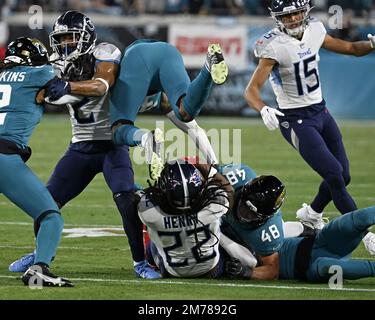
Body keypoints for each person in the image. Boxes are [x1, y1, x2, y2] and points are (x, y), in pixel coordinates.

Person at [8, 10, 160, 279]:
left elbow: (102, 84)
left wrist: (68, 87)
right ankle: (41, 255)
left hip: (112, 144)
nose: (65, 44)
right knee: (46, 204)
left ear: (87, 37)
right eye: (61, 38)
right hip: (80, 146)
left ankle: (140, 261)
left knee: (126, 200)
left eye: (71, 37)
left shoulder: (104, 53)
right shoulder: (55, 64)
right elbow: (40, 94)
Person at [244, 0, 375, 254]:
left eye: (296, 13)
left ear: (305, 12)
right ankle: (366, 236)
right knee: (335, 175)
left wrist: (370, 44)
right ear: (277, 18)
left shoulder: (315, 29)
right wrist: (263, 108)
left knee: (342, 175)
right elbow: (250, 90)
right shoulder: (272, 45)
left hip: (321, 112)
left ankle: (312, 213)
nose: (292, 19)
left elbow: (349, 47)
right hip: (296, 120)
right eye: (287, 15)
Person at [0, 37, 72, 287]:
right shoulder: (38, 73)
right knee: (51, 216)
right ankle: (39, 269)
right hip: (4, 158)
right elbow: (62, 80)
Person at [109, 39, 228, 179]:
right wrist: (214, 166)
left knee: (118, 130)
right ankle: (207, 68)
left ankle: (146, 139)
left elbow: (118, 125)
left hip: (136, 57)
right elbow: (194, 129)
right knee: (185, 112)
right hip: (167, 52)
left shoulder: (123, 93)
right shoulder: (163, 99)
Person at [224, 176, 375, 283]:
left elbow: (272, 267)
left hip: (320, 241)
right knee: (326, 266)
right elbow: (270, 270)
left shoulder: (263, 229)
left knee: (359, 219)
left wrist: (247, 272)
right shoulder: (225, 244)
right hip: (309, 268)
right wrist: (245, 271)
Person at [137, 159, 234, 278]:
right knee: (226, 227)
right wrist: (209, 170)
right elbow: (229, 191)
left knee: (153, 237)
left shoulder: (151, 214)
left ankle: (148, 264)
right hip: (210, 270)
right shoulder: (215, 206)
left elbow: (149, 196)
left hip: (172, 272)